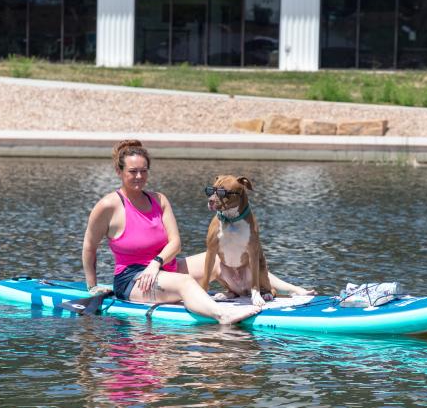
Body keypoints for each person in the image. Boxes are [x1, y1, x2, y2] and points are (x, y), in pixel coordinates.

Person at [82, 139, 314, 325]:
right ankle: (223, 315)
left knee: (225, 259)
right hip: (132, 279)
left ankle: (291, 289)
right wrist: (92, 287)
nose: (139, 177)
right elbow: (89, 247)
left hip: (162, 267)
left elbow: (175, 243)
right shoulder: (108, 206)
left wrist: (156, 263)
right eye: (133, 171)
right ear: (119, 171)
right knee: (184, 283)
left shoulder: (159, 200)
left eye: (144, 171)